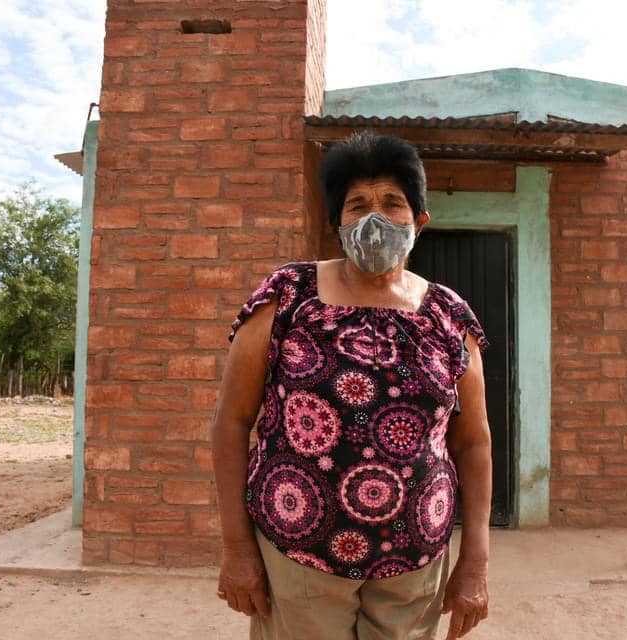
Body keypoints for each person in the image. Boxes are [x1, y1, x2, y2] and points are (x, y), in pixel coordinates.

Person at [211, 131, 492, 640]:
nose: (374, 219)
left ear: (419, 221)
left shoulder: (449, 315)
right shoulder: (289, 297)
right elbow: (231, 422)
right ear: (337, 225)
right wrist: (236, 547)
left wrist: (475, 561)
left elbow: (473, 442)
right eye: (357, 205)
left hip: (414, 563)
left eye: (392, 203)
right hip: (299, 557)